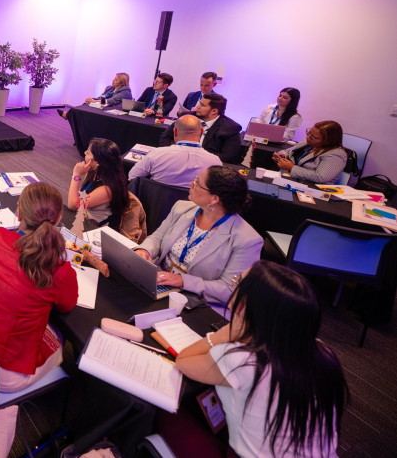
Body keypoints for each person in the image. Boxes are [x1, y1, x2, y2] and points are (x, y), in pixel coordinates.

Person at [162, 261, 346, 458]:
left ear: (244, 304)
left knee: (166, 413)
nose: (233, 287)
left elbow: (184, 360)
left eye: (236, 282)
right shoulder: (323, 352)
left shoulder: (242, 359)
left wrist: (222, 335)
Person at [0, 182, 77, 392]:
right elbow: (66, 306)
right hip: (0, 372)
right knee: (58, 338)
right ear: (58, 220)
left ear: (19, 213)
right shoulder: (60, 271)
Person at [134, 166, 262, 304]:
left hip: (197, 301)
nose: (191, 184)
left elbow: (230, 290)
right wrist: (145, 250)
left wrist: (183, 281)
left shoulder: (247, 240)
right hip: (159, 282)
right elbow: (156, 238)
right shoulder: (181, 208)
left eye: (197, 183)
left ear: (214, 199)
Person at [129, 115, 221, 188]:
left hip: (154, 207)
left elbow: (132, 177)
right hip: (193, 210)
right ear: (201, 132)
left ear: (175, 131)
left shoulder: (157, 154)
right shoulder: (215, 163)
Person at [160, 93, 242, 163]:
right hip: (178, 158)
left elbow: (226, 156)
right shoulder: (187, 116)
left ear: (214, 111)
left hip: (207, 166)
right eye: (200, 103)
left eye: (202, 105)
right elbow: (166, 136)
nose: (197, 107)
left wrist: (197, 159)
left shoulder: (231, 128)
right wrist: (171, 153)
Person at [68, 138, 129, 232]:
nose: (84, 153)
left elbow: (72, 205)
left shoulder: (107, 189)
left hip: (99, 232)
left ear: (98, 162)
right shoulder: (94, 173)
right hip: (86, 220)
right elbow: (79, 198)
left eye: (88, 153)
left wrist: (76, 176)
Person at [273, 120, 347, 184]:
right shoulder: (308, 142)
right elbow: (287, 151)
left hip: (312, 189)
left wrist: (292, 168)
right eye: (309, 133)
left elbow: (320, 177)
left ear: (328, 140)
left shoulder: (336, 154)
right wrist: (282, 155)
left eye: (313, 137)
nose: (308, 137)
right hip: (290, 179)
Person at [58, 73, 133, 119]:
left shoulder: (125, 90)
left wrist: (94, 101)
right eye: (114, 79)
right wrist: (91, 99)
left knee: (89, 109)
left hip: (115, 111)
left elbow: (112, 101)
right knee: (86, 105)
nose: (113, 80)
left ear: (121, 82)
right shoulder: (110, 88)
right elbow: (100, 98)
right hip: (104, 107)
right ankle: (71, 116)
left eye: (115, 80)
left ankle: (69, 116)